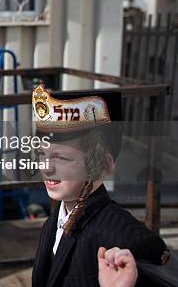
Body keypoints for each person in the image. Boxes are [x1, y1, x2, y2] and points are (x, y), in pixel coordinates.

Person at [31, 84, 168, 287]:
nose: (47, 167)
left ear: (102, 165)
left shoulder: (128, 240)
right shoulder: (53, 223)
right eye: (42, 155)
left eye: (61, 157)